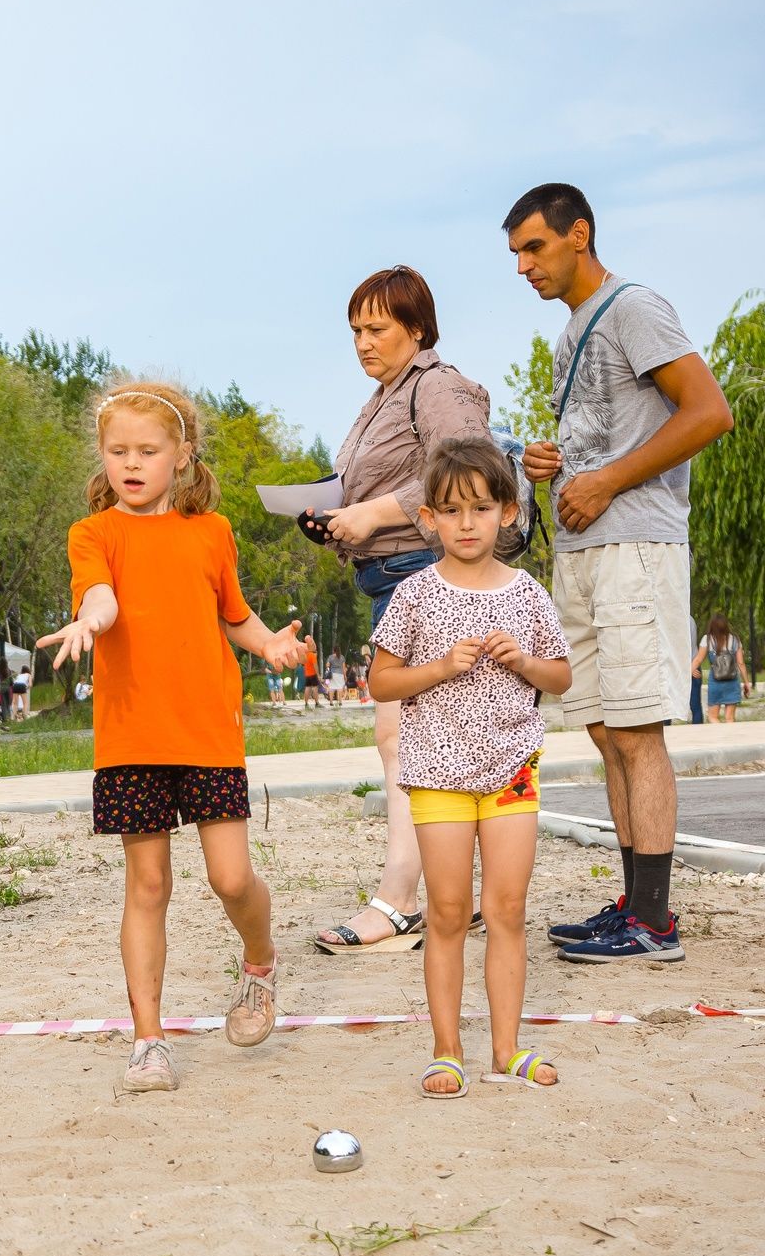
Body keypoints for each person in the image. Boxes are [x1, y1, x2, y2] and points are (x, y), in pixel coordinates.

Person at [36, 380, 306, 1093]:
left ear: (181, 454)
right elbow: (101, 595)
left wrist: (270, 644)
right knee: (148, 882)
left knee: (230, 877)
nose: (131, 462)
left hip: (209, 733)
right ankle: (149, 1040)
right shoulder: (92, 533)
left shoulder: (212, 531)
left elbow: (234, 615)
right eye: (118, 450)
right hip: (130, 738)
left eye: (147, 450)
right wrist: (90, 621)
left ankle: (259, 961)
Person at [508, 185, 732, 966]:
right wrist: (558, 464)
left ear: (580, 234)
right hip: (585, 551)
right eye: (515, 255)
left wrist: (606, 482)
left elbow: (708, 412)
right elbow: (604, 438)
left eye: (534, 248)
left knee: (638, 730)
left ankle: (657, 924)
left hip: (637, 545)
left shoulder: (634, 306)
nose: (524, 266)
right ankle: (635, 906)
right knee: (606, 732)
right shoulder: (573, 332)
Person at [368, 439, 572, 1095]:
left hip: (512, 769)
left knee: (507, 908)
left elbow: (561, 676)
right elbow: (380, 682)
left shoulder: (529, 594)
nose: (466, 523)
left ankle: (506, 1048)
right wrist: (438, 668)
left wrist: (524, 662)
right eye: (451, 511)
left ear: (508, 512)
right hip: (437, 775)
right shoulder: (414, 595)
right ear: (428, 518)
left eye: (480, 508)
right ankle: (447, 1047)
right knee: (449, 911)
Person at [314, 266, 500, 954]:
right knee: (439, 743)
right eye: (355, 330)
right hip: (393, 578)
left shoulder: (436, 386)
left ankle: (399, 902)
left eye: (377, 327)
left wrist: (375, 511)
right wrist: (339, 515)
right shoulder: (385, 396)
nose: (363, 341)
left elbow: (473, 467)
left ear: (416, 328)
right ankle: (460, 895)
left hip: (424, 575)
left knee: (404, 740)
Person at [693, 613, 745, 724]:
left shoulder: (707, 639)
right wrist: (746, 683)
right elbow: (741, 663)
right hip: (732, 682)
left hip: (715, 682)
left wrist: (689, 671)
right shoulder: (735, 639)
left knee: (713, 717)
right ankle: (730, 739)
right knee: (730, 718)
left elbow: (698, 659)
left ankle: (720, 739)